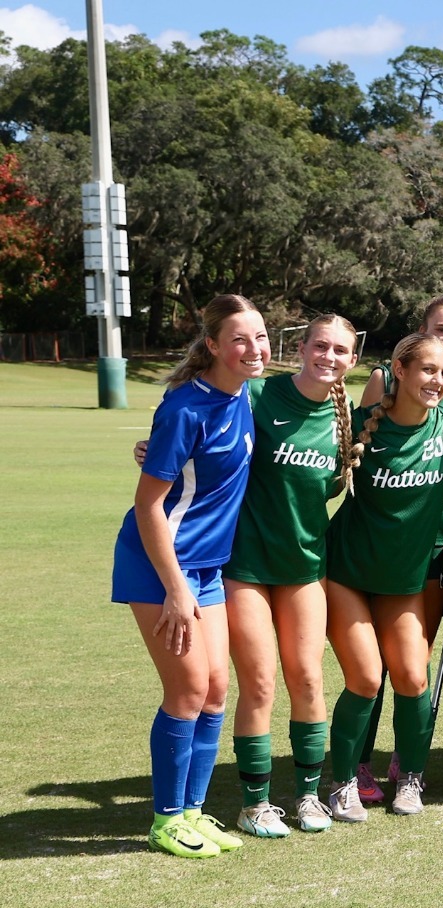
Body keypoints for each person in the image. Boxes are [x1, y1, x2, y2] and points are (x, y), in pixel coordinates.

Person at [116, 295, 264, 858]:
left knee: (217, 689)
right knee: (187, 690)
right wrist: (176, 588)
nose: (254, 348)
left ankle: (195, 813)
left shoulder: (243, 393)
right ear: (214, 346)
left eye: (260, 336)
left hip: (205, 566)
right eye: (240, 339)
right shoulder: (186, 407)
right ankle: (166, 819)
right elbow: (150, 505)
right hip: (161, 565)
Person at [219, 315, 357, 837]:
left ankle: (305, 796)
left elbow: (324, 494)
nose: (329, 356)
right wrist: (155, 449)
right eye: (320, 346)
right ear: (300, 348)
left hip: (304, 568)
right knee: (258, 683)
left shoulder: (343, 420)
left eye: (340, 351)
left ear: (351, 360)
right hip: (247, 566)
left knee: (308, 679)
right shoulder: (258, 396)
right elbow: (207, 439)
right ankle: (254, 805)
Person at [323, 334, 443, 820]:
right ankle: (340, 784)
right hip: (348, 573)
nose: (437, 381)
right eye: (427, 370)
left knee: (413, 678)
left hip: (402, 580)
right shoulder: (360, 427)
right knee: (363, 679)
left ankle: (411, 780)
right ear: (398, 371)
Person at [354, 295, 443, 802]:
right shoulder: (386, 378)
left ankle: (407, 760)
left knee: (414, 658)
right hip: (390, 541)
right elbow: (357, 447)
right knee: (376, 661)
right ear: (420, 331)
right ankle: (358, 762)